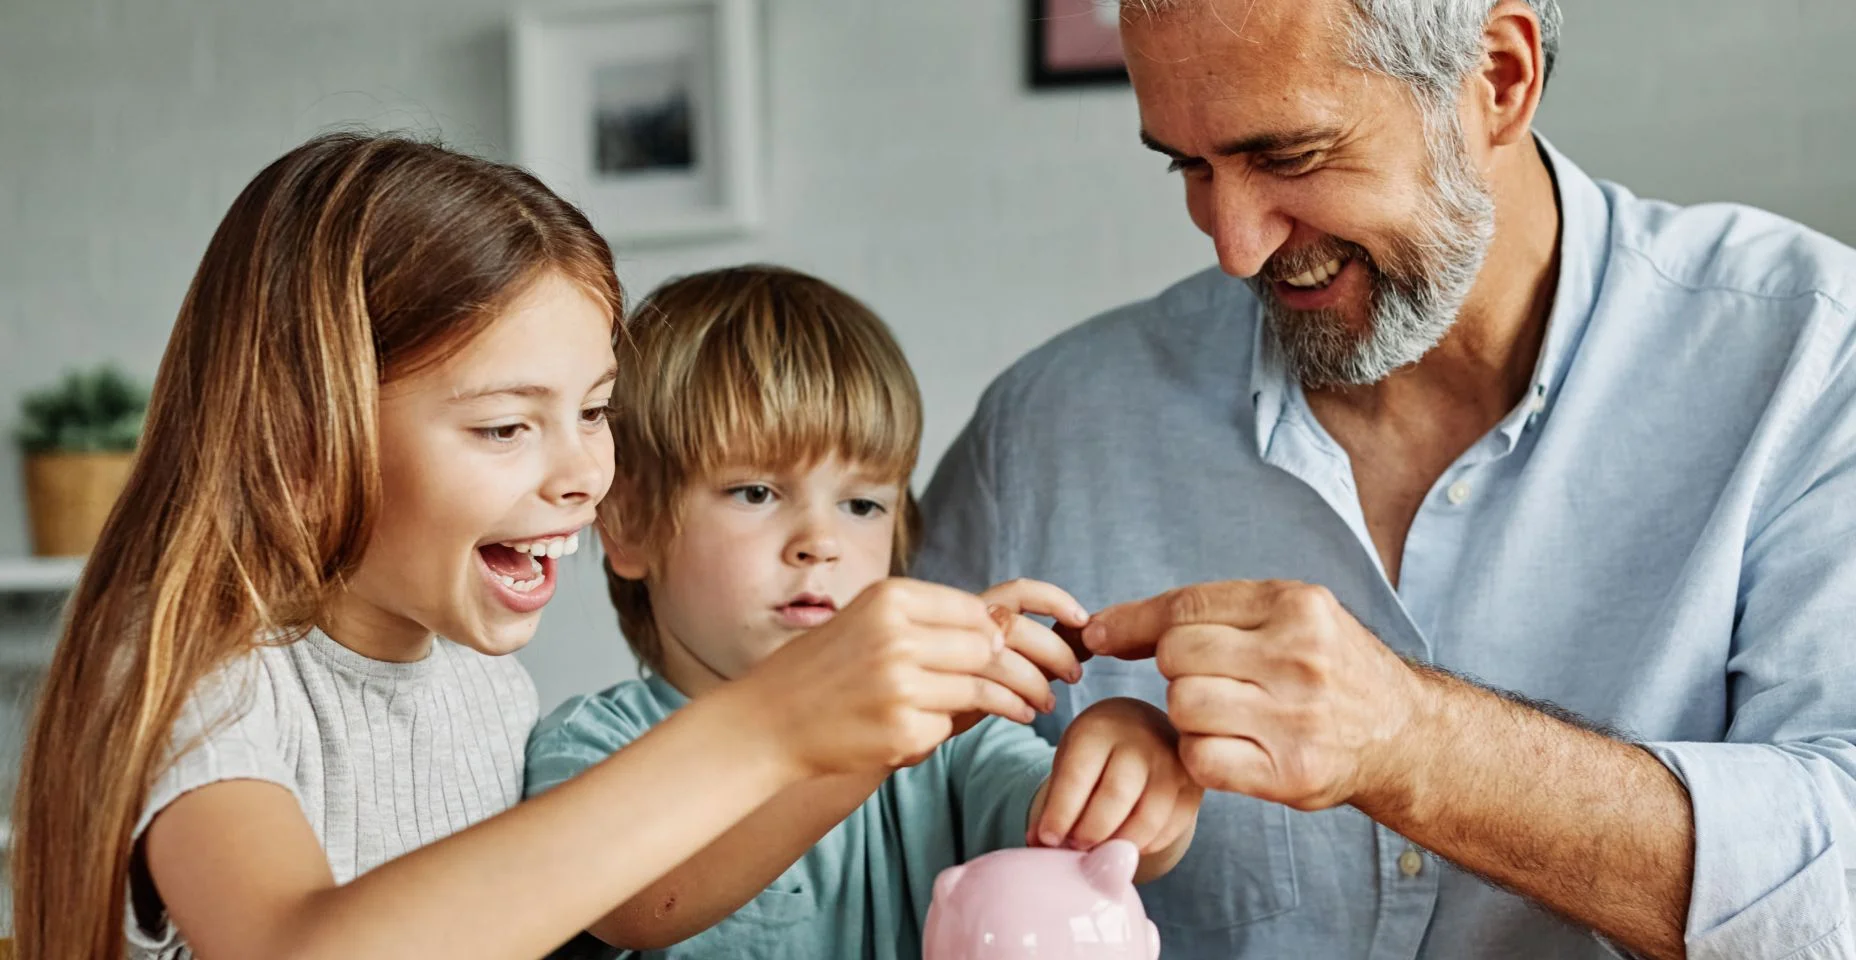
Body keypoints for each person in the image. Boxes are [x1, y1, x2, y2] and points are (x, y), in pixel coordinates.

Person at [915, 2, 1856, 958]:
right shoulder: (1043, 433)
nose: (1234, 245)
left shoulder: (1813, 361)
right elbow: (876, 830)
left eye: (1291, 157)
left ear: (1497, 77)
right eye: (1190, 167)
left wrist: (1413, 743)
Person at [12, 135, 1038, 960]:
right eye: (507, 427)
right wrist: (772, 726)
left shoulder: (481, 689)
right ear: (305, 431)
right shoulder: (187, 674)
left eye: (594, 413)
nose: (583, 475)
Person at [527, 265, 1202, 958]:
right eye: (756, 492)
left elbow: (1090, 847)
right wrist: (870, 745)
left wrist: (1129, 767)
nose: (819, 543)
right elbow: (638, 906)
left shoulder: (950, 753)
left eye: (861, 505)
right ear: (629, 524)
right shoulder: (588, 749)